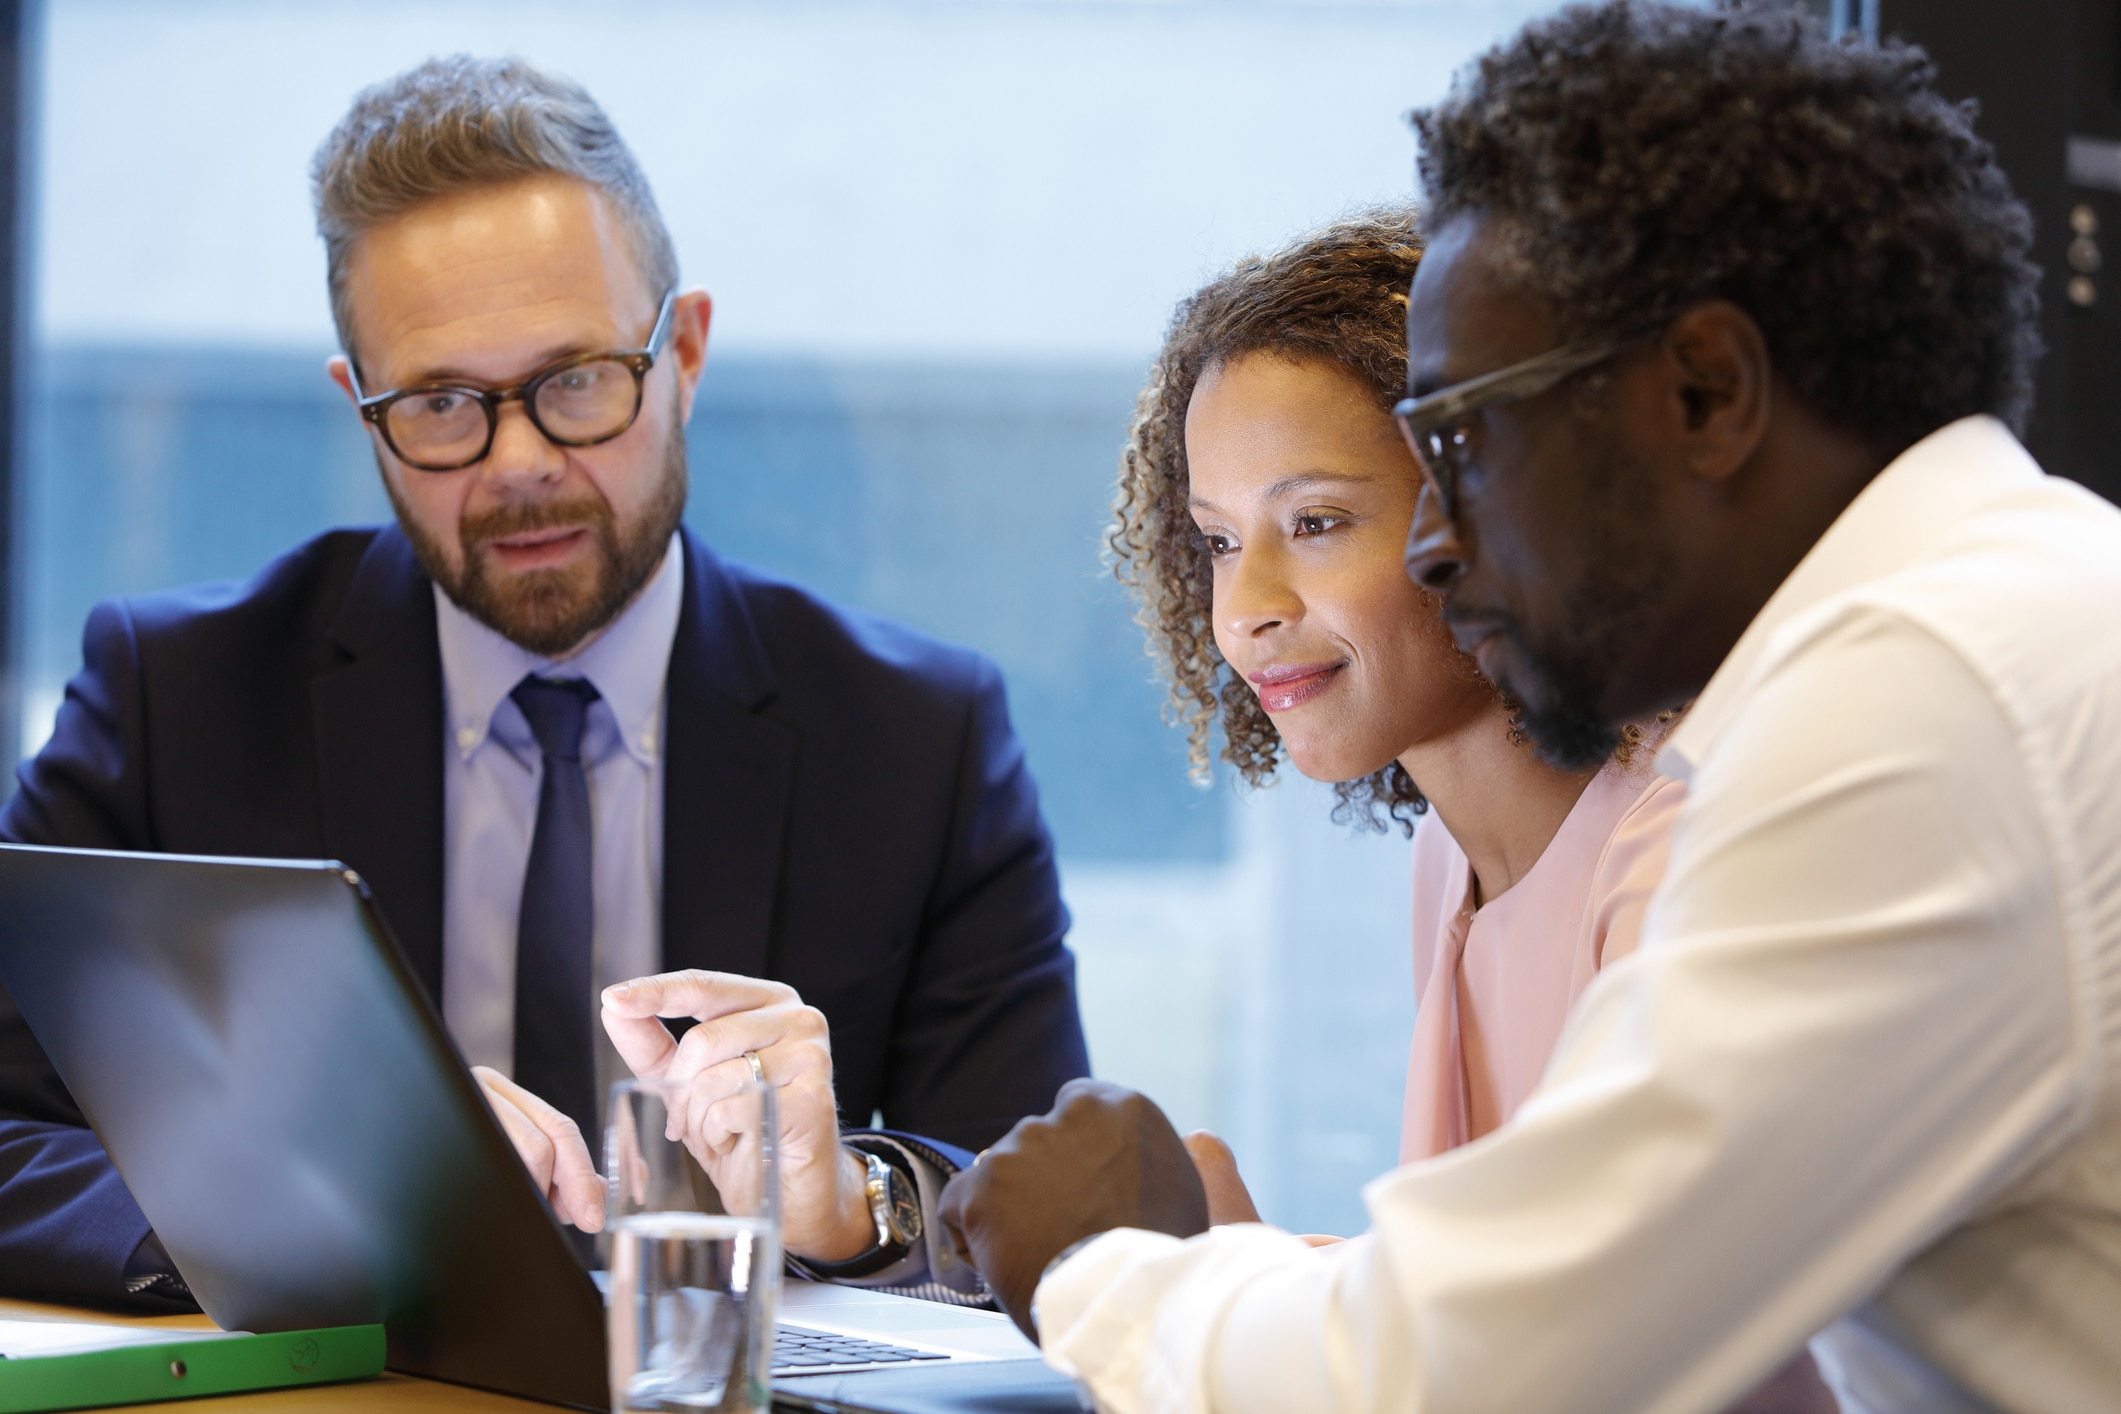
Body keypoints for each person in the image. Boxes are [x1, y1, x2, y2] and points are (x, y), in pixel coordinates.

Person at [940, 5, 2121, 1411]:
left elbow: (1489, 1366)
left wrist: (1099, 1262)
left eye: (1462, 437)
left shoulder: (1919, 702)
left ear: (1706, 390)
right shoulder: (2007, 612)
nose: (1439, 537)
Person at [0, 56, 1086, 1309]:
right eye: (446, 404)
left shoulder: (916, 738)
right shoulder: (172, 701)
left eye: (575, 382)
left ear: (682, 353)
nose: (520, 463)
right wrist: (296, 1190)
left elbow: (1044, 1201)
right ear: (362, 411)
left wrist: (851, 1199)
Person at [1105, 210, 1824, 1413]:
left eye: (1317, 522)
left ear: (1494, 512)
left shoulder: (1673, 844)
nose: (1248, 609)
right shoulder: (1447, 859)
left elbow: (1585, 1354)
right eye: (1219, 542)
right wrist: (1229, 1252)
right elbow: (1470, 1314)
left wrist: (1209, 1290)